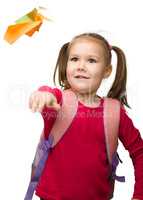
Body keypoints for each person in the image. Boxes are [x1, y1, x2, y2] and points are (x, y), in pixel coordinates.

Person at [29, 33, 143, 200]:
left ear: (107, 71)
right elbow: (47, 93)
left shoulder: (114, 112)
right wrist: (42, 95)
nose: (81, 66)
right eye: (74, 59)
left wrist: (139, 195)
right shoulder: (57, 101)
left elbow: (139, 153)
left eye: (91, 60)